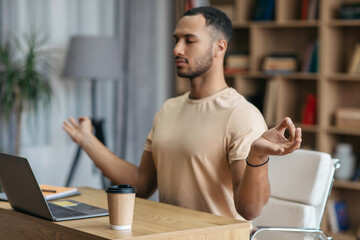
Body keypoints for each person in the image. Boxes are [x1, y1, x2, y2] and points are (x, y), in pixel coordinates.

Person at [63, 6, 302, 222]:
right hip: (169, 233)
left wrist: (258, 156)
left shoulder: (241, 114)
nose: (177, 49)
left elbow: (249, 210)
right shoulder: (169, 109)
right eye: (176, 40)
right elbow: (142, 184)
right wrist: (87, 140)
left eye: (189, 40)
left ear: (220, 47)